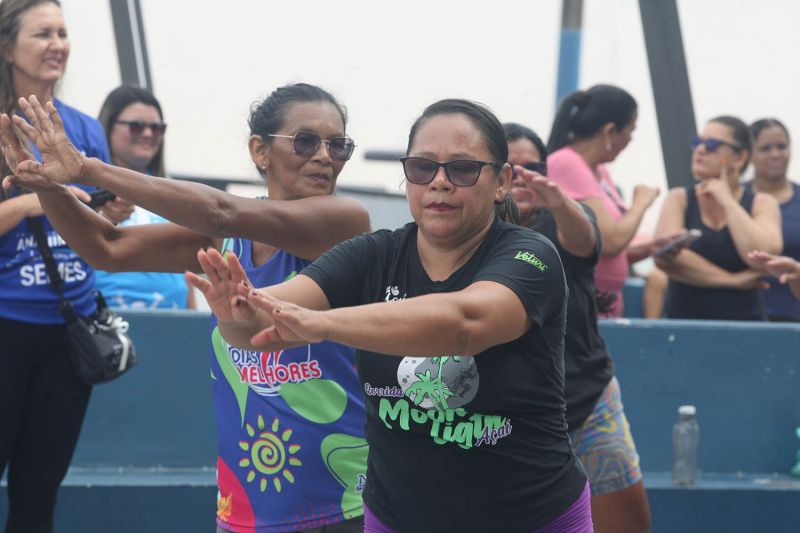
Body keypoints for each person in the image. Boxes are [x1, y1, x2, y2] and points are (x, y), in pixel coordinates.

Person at [186, 99, 591, 532]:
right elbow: (264, 322)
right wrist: (237, 312)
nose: (439, 182)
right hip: (399, 519)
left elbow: (463, 325)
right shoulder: (373, 255)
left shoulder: (530, 255)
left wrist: (320, 324)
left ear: (501, 181)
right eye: (422, 168)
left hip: (531, 518)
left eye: (462, 169)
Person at [0, 84, 371, 532]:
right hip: (247, 507)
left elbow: (218, 210)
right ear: (260, 150)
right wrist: (51, 189)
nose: (325, 155)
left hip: (339, 505)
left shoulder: (346, 223)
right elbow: (106, 246)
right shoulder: (228, 239)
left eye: (339, 144)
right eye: (307, 141)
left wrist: (88, 169)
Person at [506, 122, 651, 533]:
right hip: (512, 417)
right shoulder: (472, 236)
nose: (523, 177)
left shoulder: (564, 220)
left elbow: (584, 237)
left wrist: (558, 200)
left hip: (587, 401)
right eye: (510, 168)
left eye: (533, 166)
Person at [0, 1, 111, 531]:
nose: (57, 44)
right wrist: (33, 200)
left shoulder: (86, 130)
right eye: (42, 32)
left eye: (63, 32)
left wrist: (110, 207)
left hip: (71, 329)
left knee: (39, 492)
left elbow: (100, 227)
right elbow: (53, 203)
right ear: (6, 48)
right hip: (6, 325)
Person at [547, 85, 660, 318]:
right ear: (610, 131)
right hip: (581, 308)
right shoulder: (567, 163)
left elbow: (599, 249)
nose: (630, 140)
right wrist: (641, 204)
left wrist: (650, 249)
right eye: (630, 131)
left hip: (603, 305)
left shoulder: (599, 171)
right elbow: (610, 241)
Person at [654, 116, 782, 320]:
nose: (701, 150)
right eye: (697, 142)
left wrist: (728, 201)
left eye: (713, 145)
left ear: (740, 157)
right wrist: (733, 281)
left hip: (746, 327)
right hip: (684, 326)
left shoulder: (762, 203)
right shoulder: (678, 199)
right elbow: (669, 259)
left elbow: (761, 258)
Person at [93, 84, 196, 309]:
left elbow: (186, 272)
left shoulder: (173, 192)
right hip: (108, 326)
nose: (148, 134)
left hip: (173, 325)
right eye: (136, 126)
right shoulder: (85, 190)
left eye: (157, 128)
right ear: (107, 127)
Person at [746, 119, 800, 320]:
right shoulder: (734, 200)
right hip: (744, 316)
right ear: (748, 154)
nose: (775, 154)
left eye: (782, 147)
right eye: (765, 148)